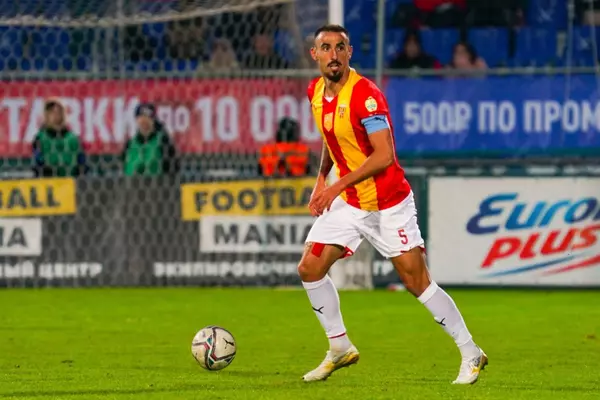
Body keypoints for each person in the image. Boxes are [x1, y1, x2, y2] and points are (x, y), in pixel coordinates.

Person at [300, 24, 487, 385]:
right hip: (350, 202)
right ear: (315, 54)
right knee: (310, 267)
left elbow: (384, 155)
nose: (333, 55)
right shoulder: (315, 92)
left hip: (388, 203)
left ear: (350, 52)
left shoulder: (366, 96)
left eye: (340, 47)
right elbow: (330, 139)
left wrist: (334, 185)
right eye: (326, 48)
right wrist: (321, 179)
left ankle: (471, 351)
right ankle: (339, 347)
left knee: (417, 281)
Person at [32, 98, 88, 177]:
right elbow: (38, 162)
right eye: (51, 111)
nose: (55, 114)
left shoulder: (74, 139)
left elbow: (82, 163)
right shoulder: (40, 138)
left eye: (58, 111)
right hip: (49, 182)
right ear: (46, 115)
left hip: (71, 181)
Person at [121, 103, 179, 176]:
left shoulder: (163, 141)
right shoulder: (130, 144)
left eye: (147, 117)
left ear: (153, 120)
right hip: (131, 182)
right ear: (136, 119)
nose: (144, 120)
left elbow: (173, 168)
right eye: (141, 117)